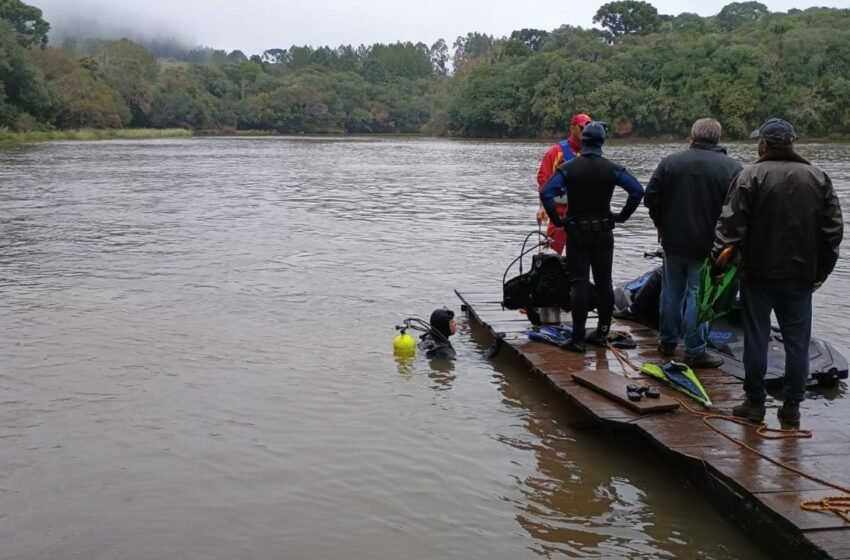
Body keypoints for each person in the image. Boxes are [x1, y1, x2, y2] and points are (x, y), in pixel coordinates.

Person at [713, 118, 843, 427]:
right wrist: (821, 270)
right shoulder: (818, 177)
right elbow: (833, 231)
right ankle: (792, 407)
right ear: (791, 143)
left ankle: (755, 404)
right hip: (801, 277)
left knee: (756, 338)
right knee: (798, 342)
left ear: (764, 144)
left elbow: (730, 227)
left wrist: (718, 264)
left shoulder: (750, 175)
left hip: (757, 274)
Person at [644, 118, 743, 369]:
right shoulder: (732, 169)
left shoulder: (670, 162)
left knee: (671, 294)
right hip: (709, 247)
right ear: (718, 138)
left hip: (673, 241)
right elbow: (739, 211)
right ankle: (694, 350)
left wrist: (661, 223)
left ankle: (666, 342)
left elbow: (651, 197)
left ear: (692, 136)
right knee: (699, 297)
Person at [540, 122, 644, 353]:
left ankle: (577, 339)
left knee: (578, 284)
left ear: (584, 140)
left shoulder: (569, 168)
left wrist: (557, 220)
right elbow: (637, 191)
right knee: (604, 282)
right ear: (602, 142)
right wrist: (622, 216)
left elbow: (546, 192)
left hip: (577, 231)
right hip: (604, 232)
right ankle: (602, 332)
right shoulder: (612, 169)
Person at [535, 113, 593, 255]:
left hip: (583, 212)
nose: (586, 131)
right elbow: (543, 178)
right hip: (559, 211)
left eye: (589, 128)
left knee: (582, 255)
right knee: (552, 253)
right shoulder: (557, 151)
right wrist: (542, 206)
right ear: (572, 128)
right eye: (582, 128)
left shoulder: (592, 153)